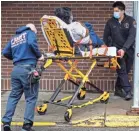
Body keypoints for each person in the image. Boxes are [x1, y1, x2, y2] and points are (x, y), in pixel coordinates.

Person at [2, 23, 44, 131]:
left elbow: (5, 52)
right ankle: (26, 126)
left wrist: (17, 57)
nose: (36, 34)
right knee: (31, 98)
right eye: (36, 32)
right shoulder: (29, 33)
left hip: (16, 70)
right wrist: (39, 56)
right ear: (32, 29)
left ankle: (6, 123)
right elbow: (31, 43)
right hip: (28, 70)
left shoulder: (15, 38)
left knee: (13, 96)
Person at [103, 1, 136, 100]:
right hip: (115, 51)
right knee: (121, 70)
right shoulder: (110, 22)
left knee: (126, 70)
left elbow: (132, 36)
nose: (115, 13)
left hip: (128, 50)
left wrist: (124, 49)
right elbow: (105, 36)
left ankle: (118, 89)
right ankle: (128, 91)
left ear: (123, 11)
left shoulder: (131, 21)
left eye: (117, 11)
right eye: (114, 11)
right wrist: (107, 47)